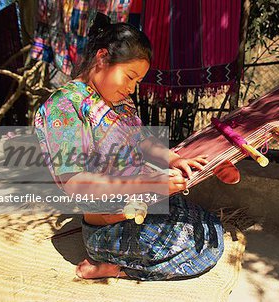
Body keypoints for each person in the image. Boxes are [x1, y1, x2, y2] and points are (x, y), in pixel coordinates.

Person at [34, 12, 224, 281]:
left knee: (208, 228)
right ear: (102, 58)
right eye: (130, 76)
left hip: (139, 204)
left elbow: (141, 140)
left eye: (137, 81)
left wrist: (171, 158)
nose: (132, 88)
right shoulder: (63, 107)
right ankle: (114, 267)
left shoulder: (121, 102)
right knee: (193, 249)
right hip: (108, 227)